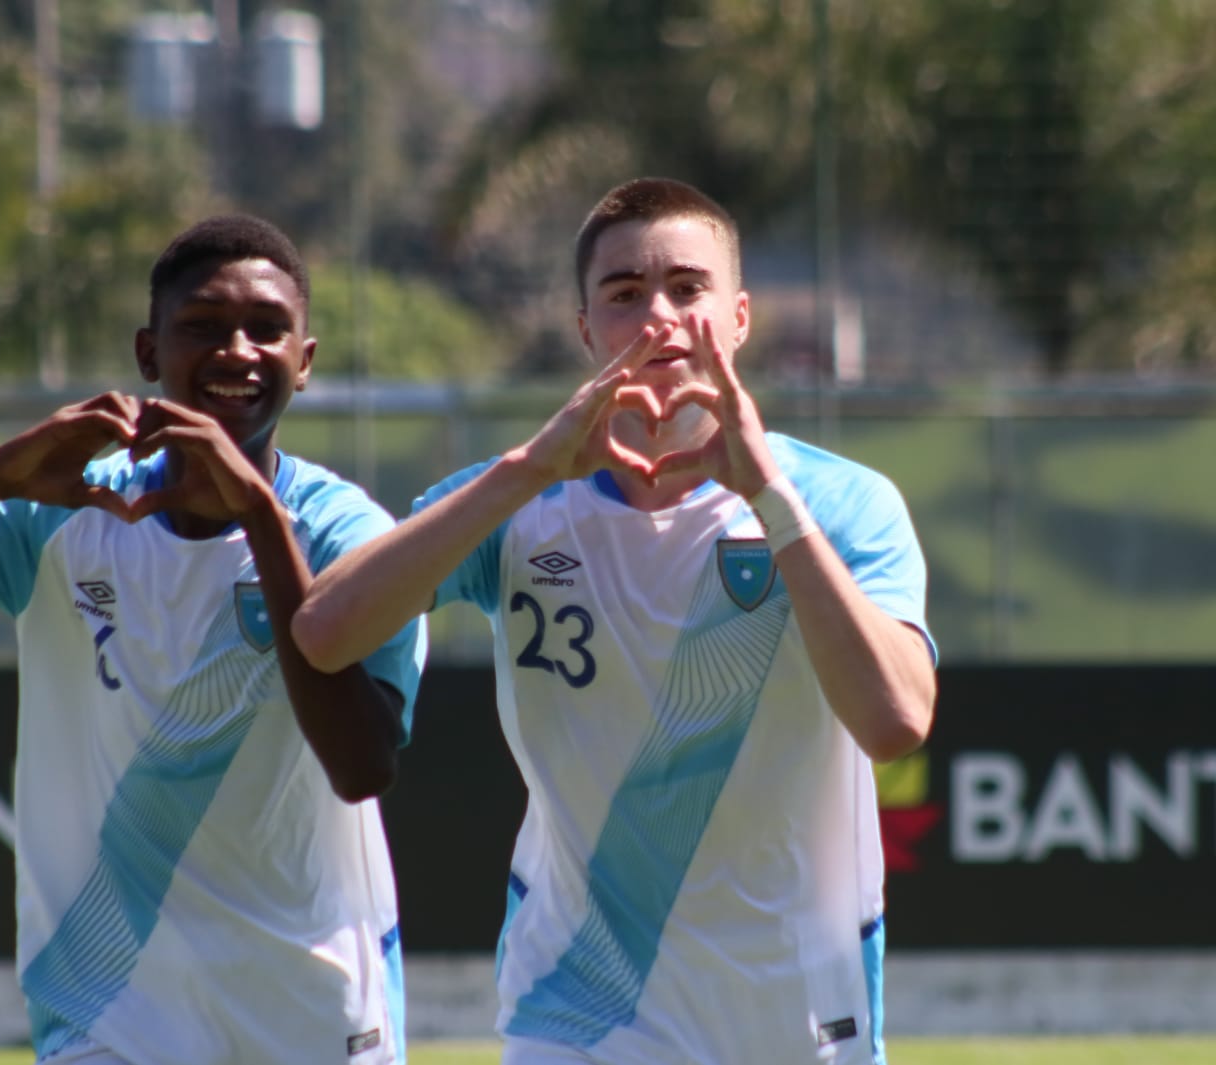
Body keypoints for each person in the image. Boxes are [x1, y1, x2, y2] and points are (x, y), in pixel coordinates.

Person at [0, 215, 427, 1065]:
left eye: (267, 329)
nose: (239, 351)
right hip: (107, 1010)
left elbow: (362, 765)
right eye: (204, 328)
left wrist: (259, 513)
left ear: (306, 359)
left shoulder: (346, 533)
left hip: (311, 1003)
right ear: (149, 354)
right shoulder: (62, 511)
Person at [293, 178, 938, 1065]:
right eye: (626, 294)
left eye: (687, 288)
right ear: (587, 326)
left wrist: (771, 500)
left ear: (740, 316)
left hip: (797, 1015)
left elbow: (897, 720)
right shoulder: (519, 498)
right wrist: (525, 470)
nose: (660, 316)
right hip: (578, 1010)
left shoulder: (842, 501)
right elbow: (325, 630)